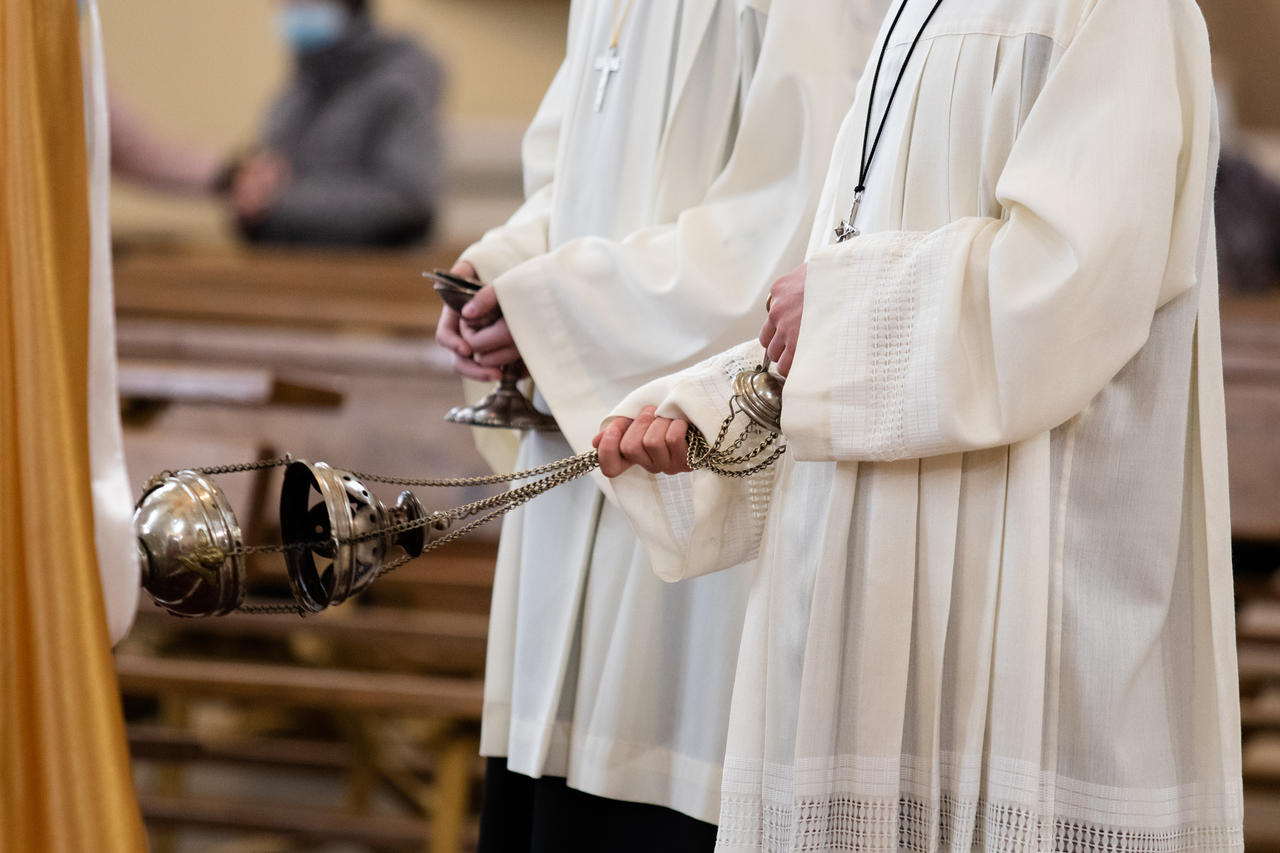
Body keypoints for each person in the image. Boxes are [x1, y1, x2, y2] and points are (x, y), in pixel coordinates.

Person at [596, 0, 1244, 849]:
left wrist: (834, 312)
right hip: (846, 601)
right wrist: (717, 407)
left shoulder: (1120, 11)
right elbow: (845, 270)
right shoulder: (912, 11)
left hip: (1016, 615)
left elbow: (1072, 289)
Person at [435, 1, 887, 849]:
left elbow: (782, 237)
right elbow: (572, 183)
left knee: (639, 783)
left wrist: (551, 302)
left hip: (687, 478)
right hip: (568, 478)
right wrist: (503, 271)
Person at [233, 0, 443, 247]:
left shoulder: (400, 83)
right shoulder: (297, 91)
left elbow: (407, 199)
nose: (292, 10)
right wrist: (247, 188)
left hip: (375, 272)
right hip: (289, 262)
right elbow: (270, 173)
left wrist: (279, 202)